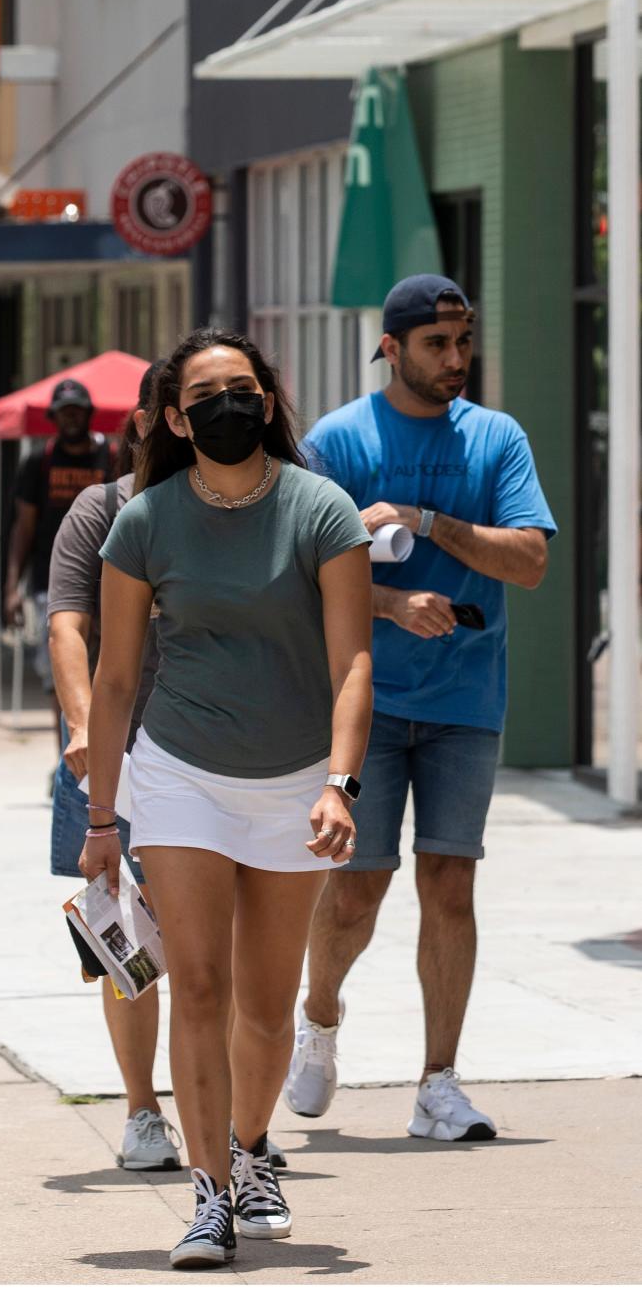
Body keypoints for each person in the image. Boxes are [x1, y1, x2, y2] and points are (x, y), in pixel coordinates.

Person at [81, 329, 372, 1267]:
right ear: (175, 417)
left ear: (269, 399)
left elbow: (352, 661)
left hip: (294, 781)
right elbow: (116, 679)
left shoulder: (322, 509)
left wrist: (339, 780)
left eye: (242, 389)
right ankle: (208, 1193)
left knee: (266, 999)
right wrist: (100, 819)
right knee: (198, 985)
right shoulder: (145, 520)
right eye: (206, 395)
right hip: (181, 772)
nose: (227, 406)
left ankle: (252, 1149)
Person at [284, 276, 555, 1144]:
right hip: (365, 699)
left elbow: (530, 561)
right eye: (437, 343)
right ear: (392, 347)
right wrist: (394, 604)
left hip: (467, 697)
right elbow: (300, 575)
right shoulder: (338, 439)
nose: (455, 359)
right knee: (360, 884)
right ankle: (319, 1022)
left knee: (451, 880)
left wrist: (430, 520)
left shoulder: (497, 438)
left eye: (463, 341)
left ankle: (439, 1081)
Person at [46, 363, 178, 1172]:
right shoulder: (99, 510)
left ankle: (232, 1115)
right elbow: (68, 625)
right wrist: (84, 724)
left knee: (207, 940)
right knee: (125, 939)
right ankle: (141, 1109)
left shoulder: (234, 509)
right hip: (116, 756)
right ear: (140, 424)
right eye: (170, 415)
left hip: (214, 751)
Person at [4, 377, 113, 703]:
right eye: (64, 412)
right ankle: (65, 753)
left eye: (77, 411)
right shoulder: (39, 462)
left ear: (89, 413)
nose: (71, 418)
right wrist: (12, 588)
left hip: (106, 579)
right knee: (60, 667)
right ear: (53, 417)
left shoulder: (113, 456)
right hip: (50, 580)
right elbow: (23, 528)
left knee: (103, 666)